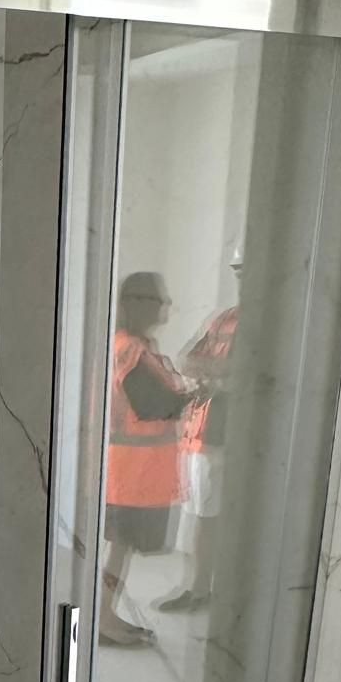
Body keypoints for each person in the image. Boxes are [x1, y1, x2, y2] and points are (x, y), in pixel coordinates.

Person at [100, 272, 204, 648]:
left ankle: (105, 614)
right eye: (160, 300)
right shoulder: (130, 350)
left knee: (120, 550)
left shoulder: (134, 347)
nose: (166, 306)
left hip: (131, 471)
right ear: (139, 304)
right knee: (119, 549)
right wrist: (196, 393)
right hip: (131, 472)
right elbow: (154, 405)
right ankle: (103, 619)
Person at [160, 249, 242, 613]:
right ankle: (197, 589)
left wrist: (212, 371)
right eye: (239, 271)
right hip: (204, 431)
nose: (242, 278)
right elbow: (184, 358)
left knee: (221, 518)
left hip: (232, 434)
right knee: (200, 516)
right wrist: (217, 372)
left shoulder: (269, 321)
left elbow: (248, 371)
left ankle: (210, 591)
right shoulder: (224, 317)